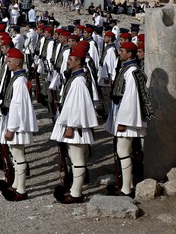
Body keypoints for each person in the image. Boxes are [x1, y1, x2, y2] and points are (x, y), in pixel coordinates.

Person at [50, 46, 99, 203]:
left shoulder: (78, 81)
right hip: (73, 126)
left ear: (78, 61)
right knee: (76, 158)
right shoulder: (75, 78)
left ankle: (76, 193)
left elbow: (77, 107)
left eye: (71, 59)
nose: (68, 62)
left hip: (75, 127)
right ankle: (74, 190)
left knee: (77, 160)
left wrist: (70, 126)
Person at [105, 41, 152, 197]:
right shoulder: (127, 69)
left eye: (123, 51)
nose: (120, 53)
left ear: (130, 54)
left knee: (123, 151)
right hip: (123, 115)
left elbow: (130, 99)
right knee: (125, 151)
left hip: (127, 118)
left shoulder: (131, 71)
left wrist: (123, 122)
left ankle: (126, 189)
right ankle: (128, 184)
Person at [0, 48, 39, 202]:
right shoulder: (16, 78)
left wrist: (11, 128)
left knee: (19, 156)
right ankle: (15, 184)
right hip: (14, 123)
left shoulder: (19, 81)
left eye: (9, 61)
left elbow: (17, 106)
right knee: (15, 155)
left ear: (18, 62)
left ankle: (21, 190)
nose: (7, 63)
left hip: (17, 126)